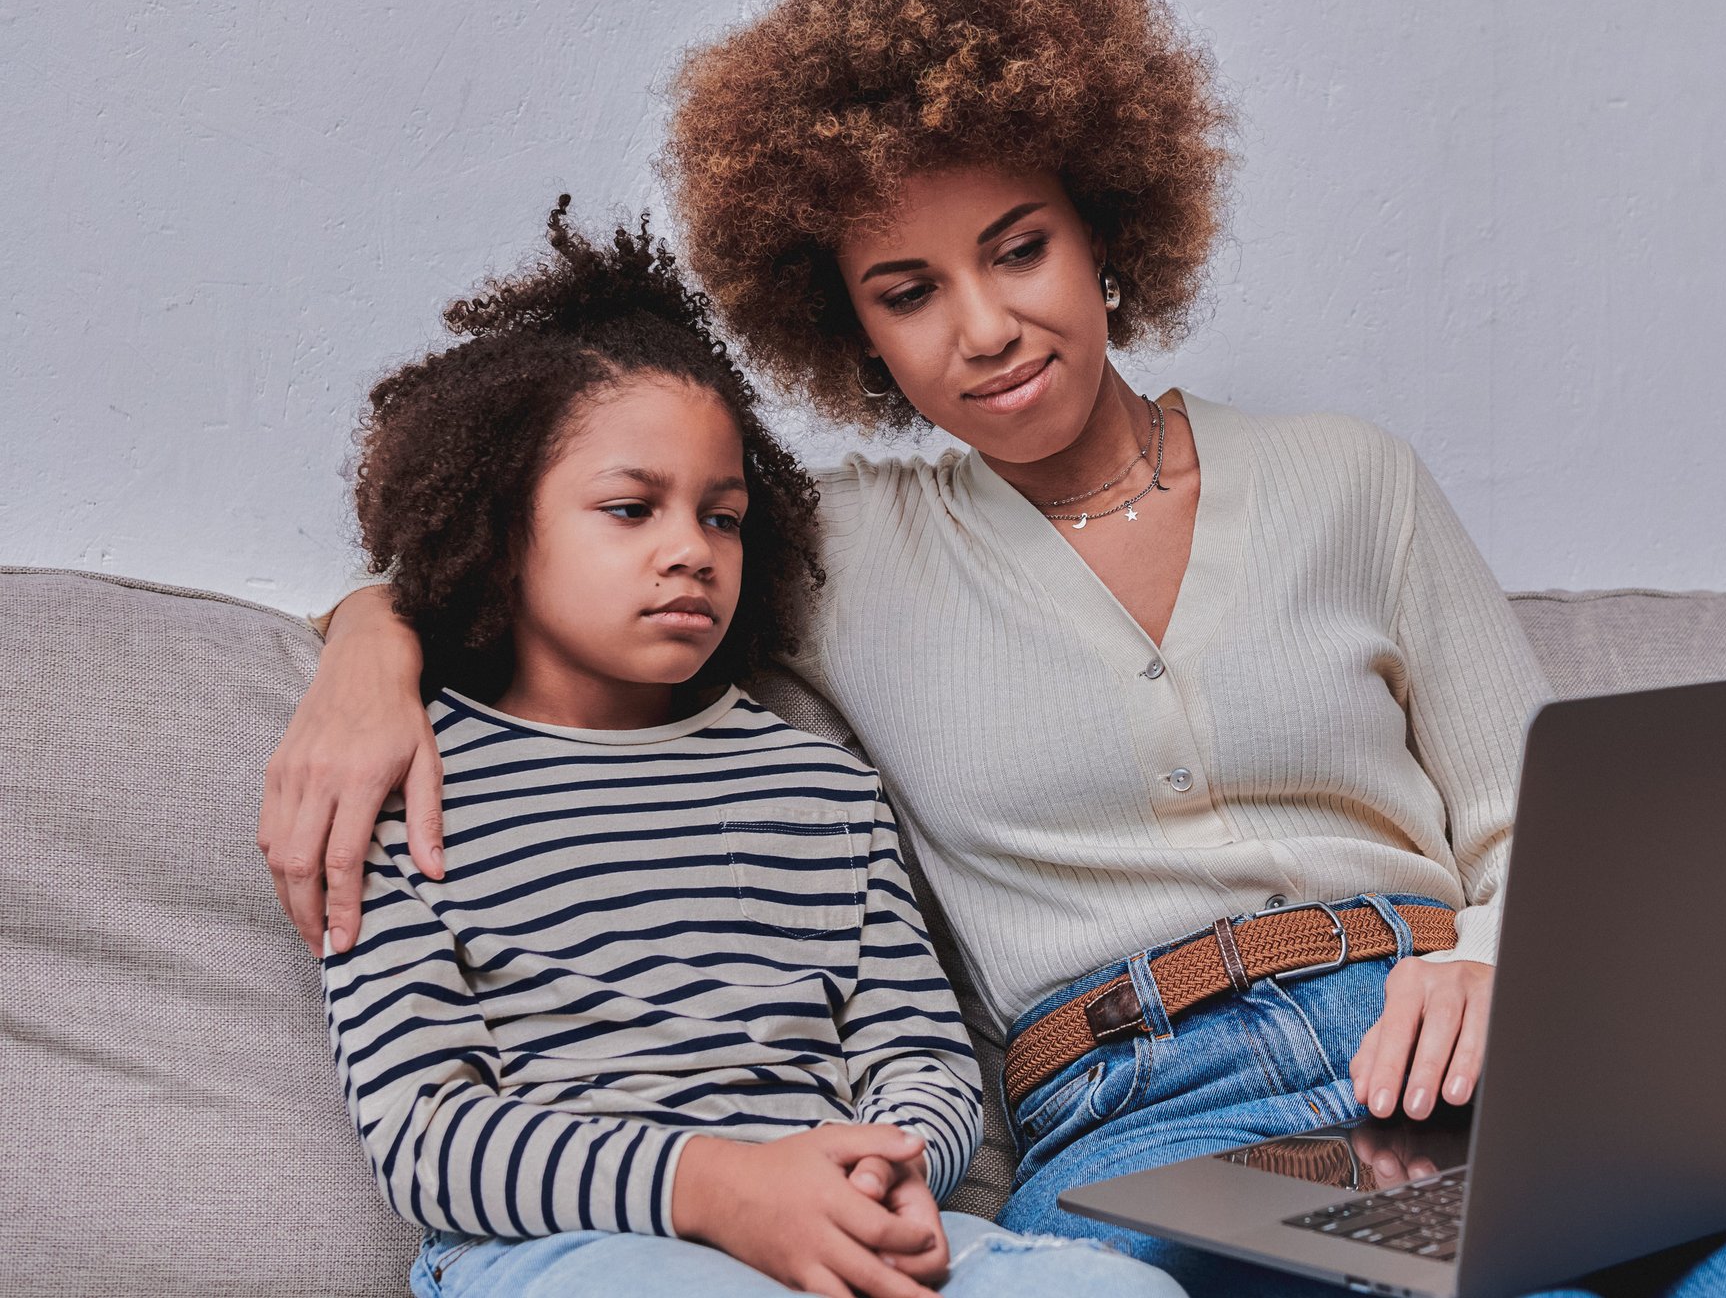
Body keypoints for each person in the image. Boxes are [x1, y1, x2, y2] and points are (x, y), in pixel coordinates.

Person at [268, 0, 1726, 1295]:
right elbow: (572, 542)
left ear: (1104, 228)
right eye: (909, 294)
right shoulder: (826, 550)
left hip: (1458, 1046)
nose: (983, 327)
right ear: (856, 339)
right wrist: (372, 639)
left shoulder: (1356, 480)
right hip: (1137, 1117)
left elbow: (1542, 814)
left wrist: (1491, 955)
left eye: (1018, 248)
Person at [318, 197, 1187, 1298]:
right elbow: (427, 1134)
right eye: (632, 509)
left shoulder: (820, 788)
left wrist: (891, 1160)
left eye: (722, 516)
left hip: (843, 1215)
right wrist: (719, 1187)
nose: (691, 549)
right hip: (569, 1250)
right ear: (496, 533)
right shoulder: (403, 788)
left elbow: (919, 1052)